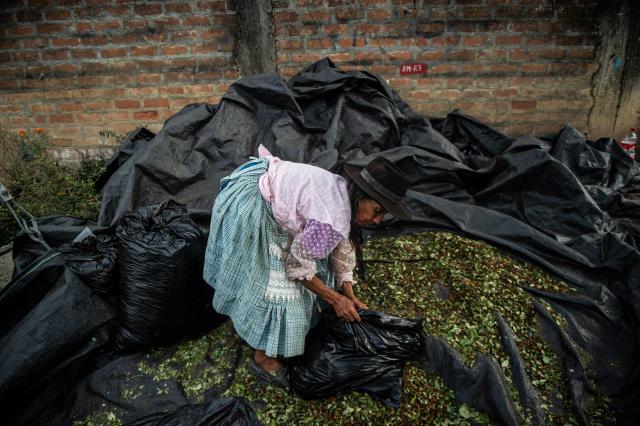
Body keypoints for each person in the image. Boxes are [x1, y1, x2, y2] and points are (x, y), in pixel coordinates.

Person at [203, 145, 411, 387]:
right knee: (277, 285)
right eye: (377, 211)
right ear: (360, 196)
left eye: (382, 215)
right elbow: (297, 269)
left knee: (316, 265)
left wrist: (348, 292)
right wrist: (336, 300)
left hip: (267, 181)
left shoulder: (344, 195)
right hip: (251, 199)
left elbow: (342, 248)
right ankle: (262, 356)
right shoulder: (329, 220)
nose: (376, 221)